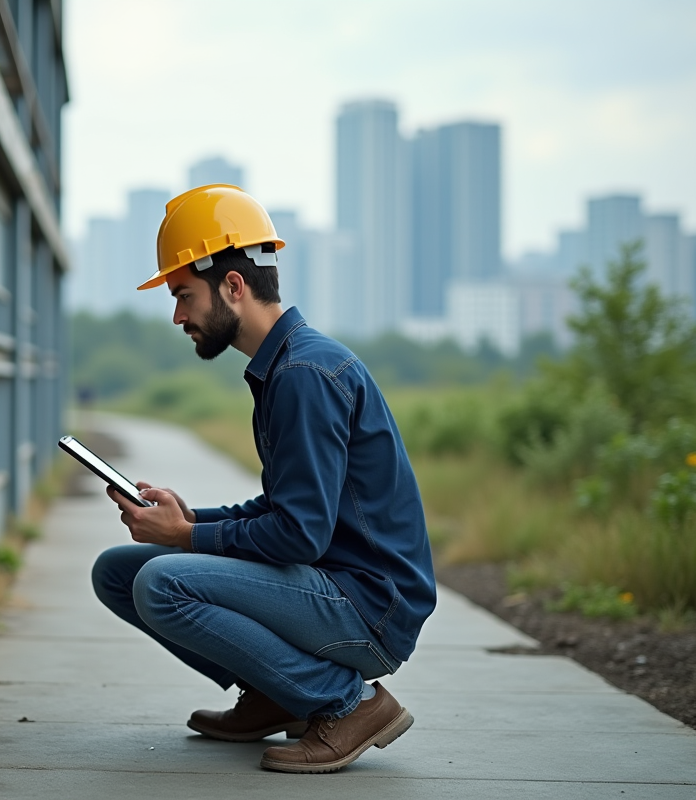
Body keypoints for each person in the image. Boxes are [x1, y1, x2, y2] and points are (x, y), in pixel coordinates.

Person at [91, 184, 436, 774]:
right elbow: (283, 507)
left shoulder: (304, 374)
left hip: (368, 606)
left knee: (162, 584)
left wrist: (185, 539)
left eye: (183, 296)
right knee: (118, 572)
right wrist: (192, 520)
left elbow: (298, 535)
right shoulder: (285, 366)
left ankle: (346, 703)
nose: (177, 315)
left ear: (233, 286)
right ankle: (279, 692)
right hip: (330, 583)